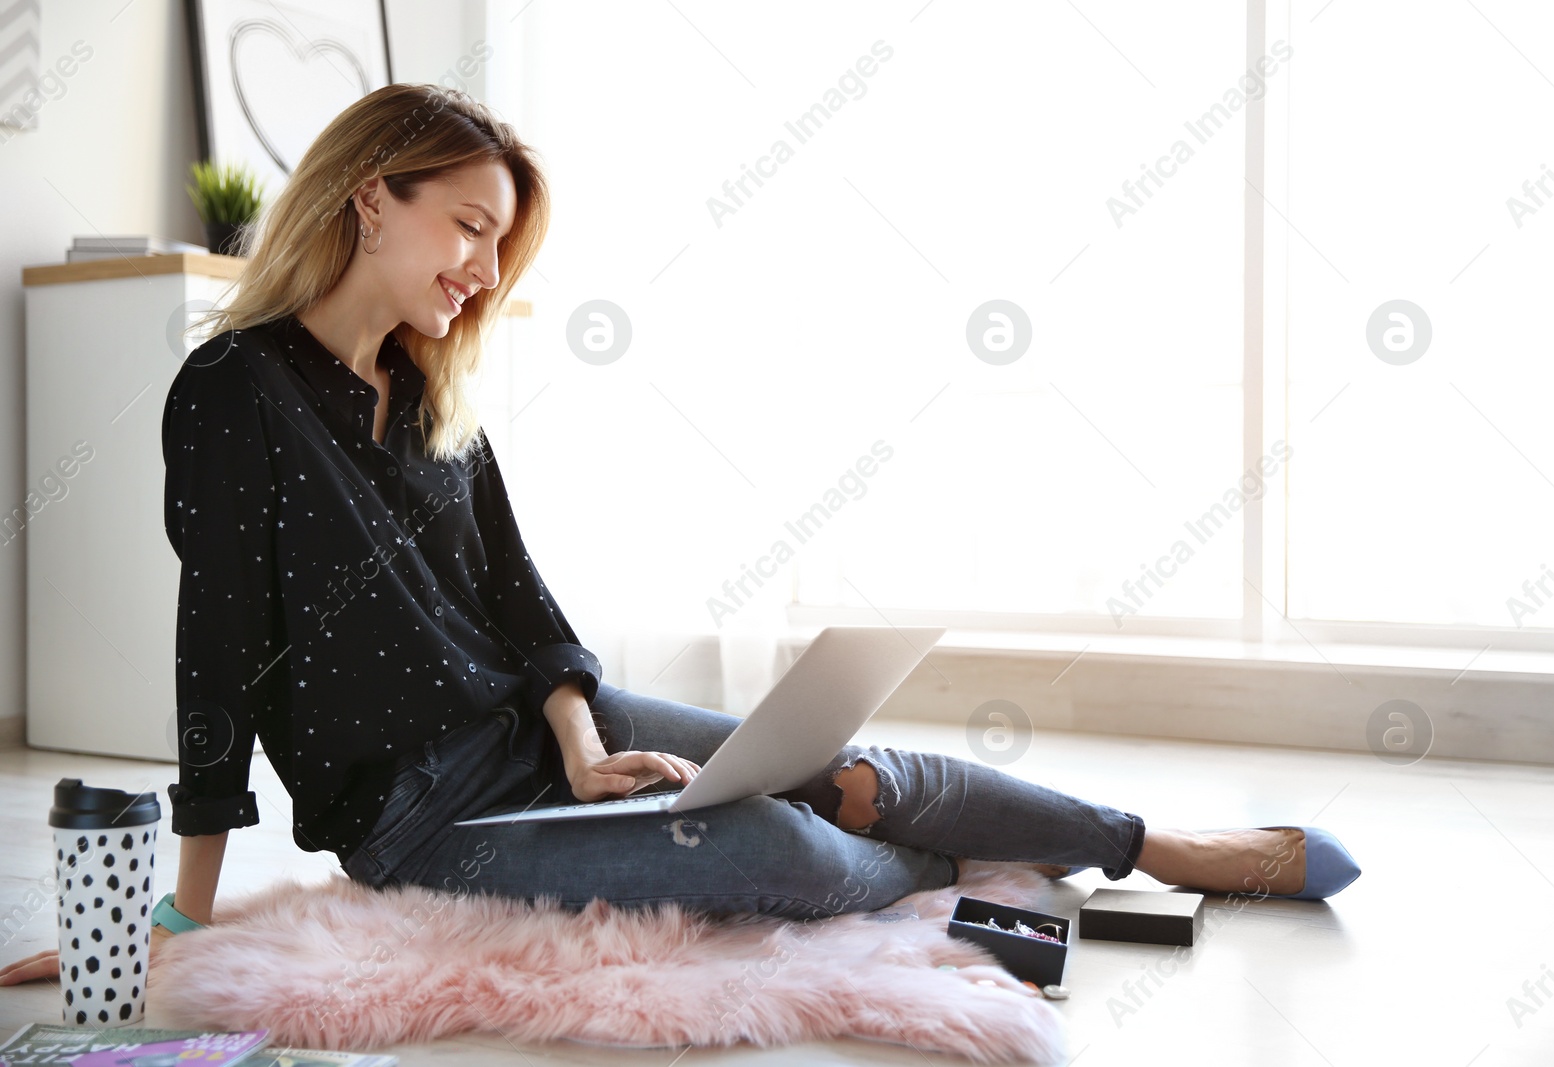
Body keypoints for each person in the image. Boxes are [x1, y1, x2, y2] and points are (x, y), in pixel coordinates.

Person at [1, 83, 1357, 986]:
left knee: (834, 756)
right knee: (766, 839)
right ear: (371, 197)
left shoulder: (422, 386)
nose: (480, 272)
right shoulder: (233, 394)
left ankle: (1146, 843)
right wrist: (181, 912)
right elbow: (219, 656)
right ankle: (955, 866)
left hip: (526, 741)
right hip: (416, 816)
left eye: (498, 244)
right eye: (467, 227)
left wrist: (584, 750)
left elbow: (520, 596)